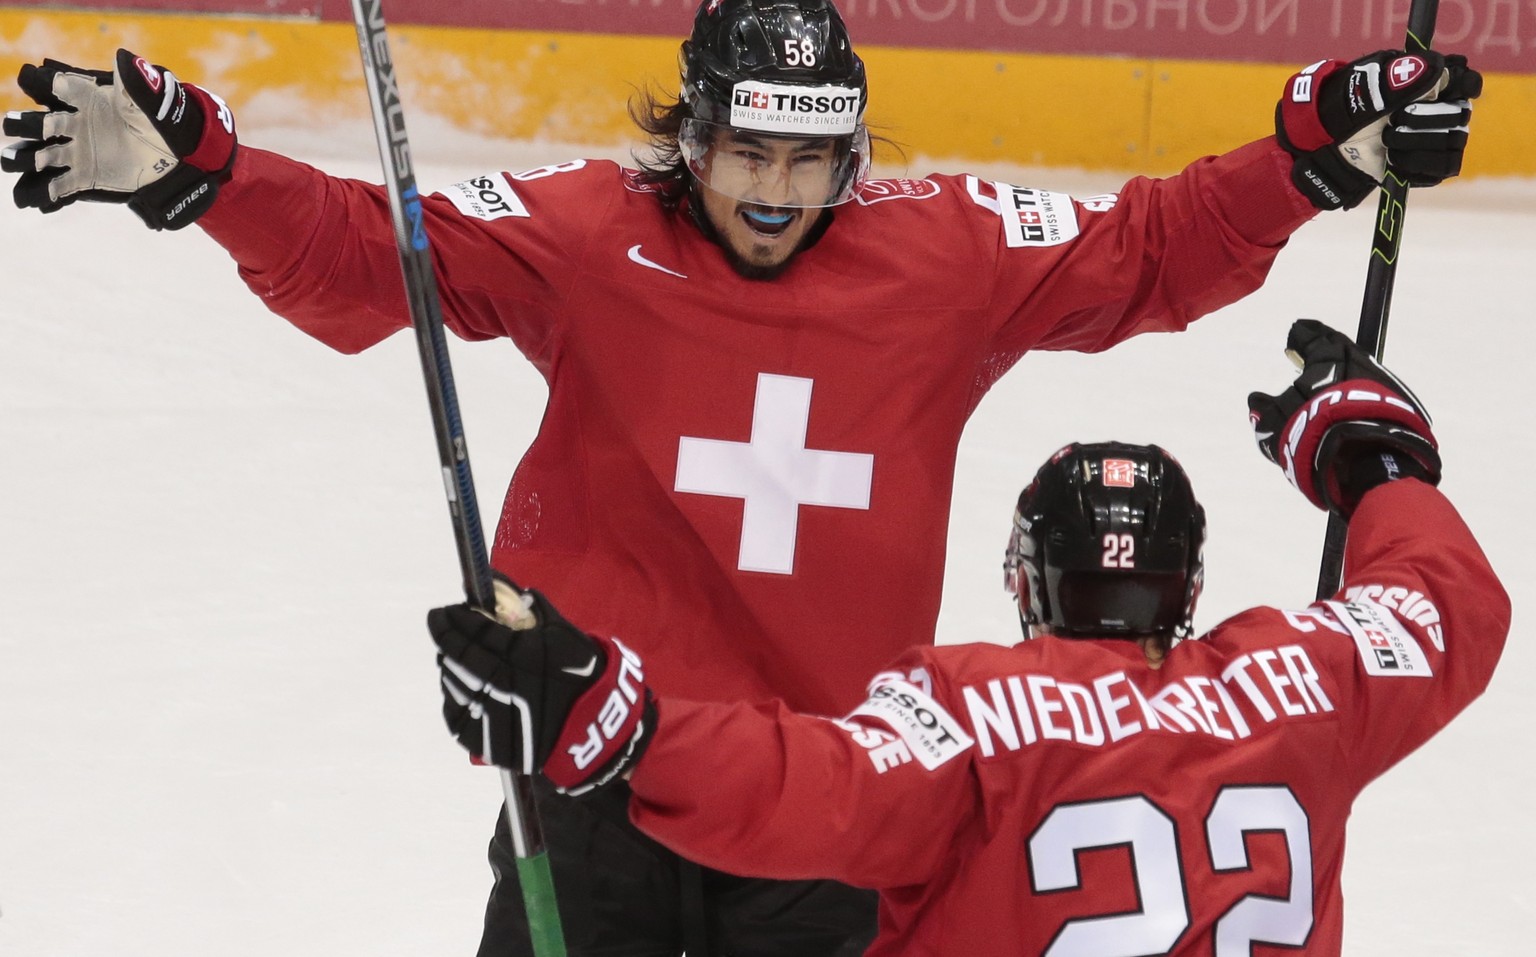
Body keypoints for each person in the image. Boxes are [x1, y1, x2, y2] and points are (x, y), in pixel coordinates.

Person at [1, 1, 1484, 952]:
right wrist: (202, 179)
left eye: (813, 159)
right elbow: (366, 256)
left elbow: (1145, 250)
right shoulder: (584, 236)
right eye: (747, 154)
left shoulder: (948, 252)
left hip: (839, 796)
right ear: (691, 133)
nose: (776, 193)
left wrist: (1312, 154)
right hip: (594, 770)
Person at [428, 319, 1509, 956]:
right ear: (1187, 585)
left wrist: (618, 720)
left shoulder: (973, 714)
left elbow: (803, 783)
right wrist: (1374, 470)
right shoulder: (1303, 685)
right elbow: (1444, 601)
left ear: (1026, 579)